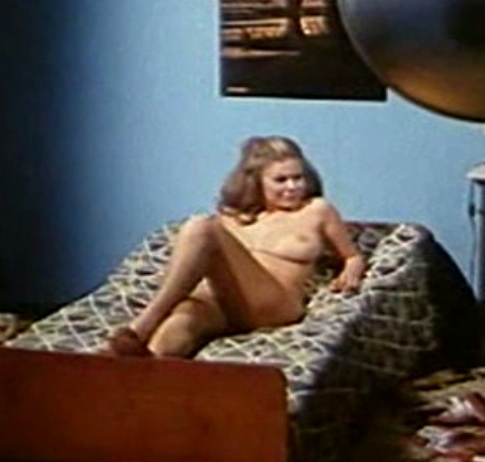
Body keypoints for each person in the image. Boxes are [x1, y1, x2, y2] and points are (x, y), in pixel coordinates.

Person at [109, 136, 366, 358]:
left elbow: (352, 256)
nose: (292, 187)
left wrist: (351, 270)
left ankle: (141, 326)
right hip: (223, 303)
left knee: (201, 226)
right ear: (257, 182)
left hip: (274, 303)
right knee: (181, 322)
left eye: (298, 178)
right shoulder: (233, 217)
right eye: (281, 180)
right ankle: (138, 376)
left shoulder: (317, 210)